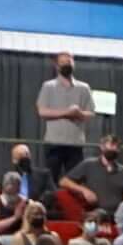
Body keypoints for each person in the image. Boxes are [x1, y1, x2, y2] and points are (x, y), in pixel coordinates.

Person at [34, 53, 96, 185]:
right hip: (54, 142)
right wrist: (67, 113)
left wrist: (78, 113)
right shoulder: (48, 86)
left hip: (75, 143)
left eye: (69, 62)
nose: (66, 65)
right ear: (57, 66)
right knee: (51, 179)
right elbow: (42, 111)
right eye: (62, 62)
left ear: (74, 64)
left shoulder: (84, 88)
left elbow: (91, 113)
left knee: (75, 181)